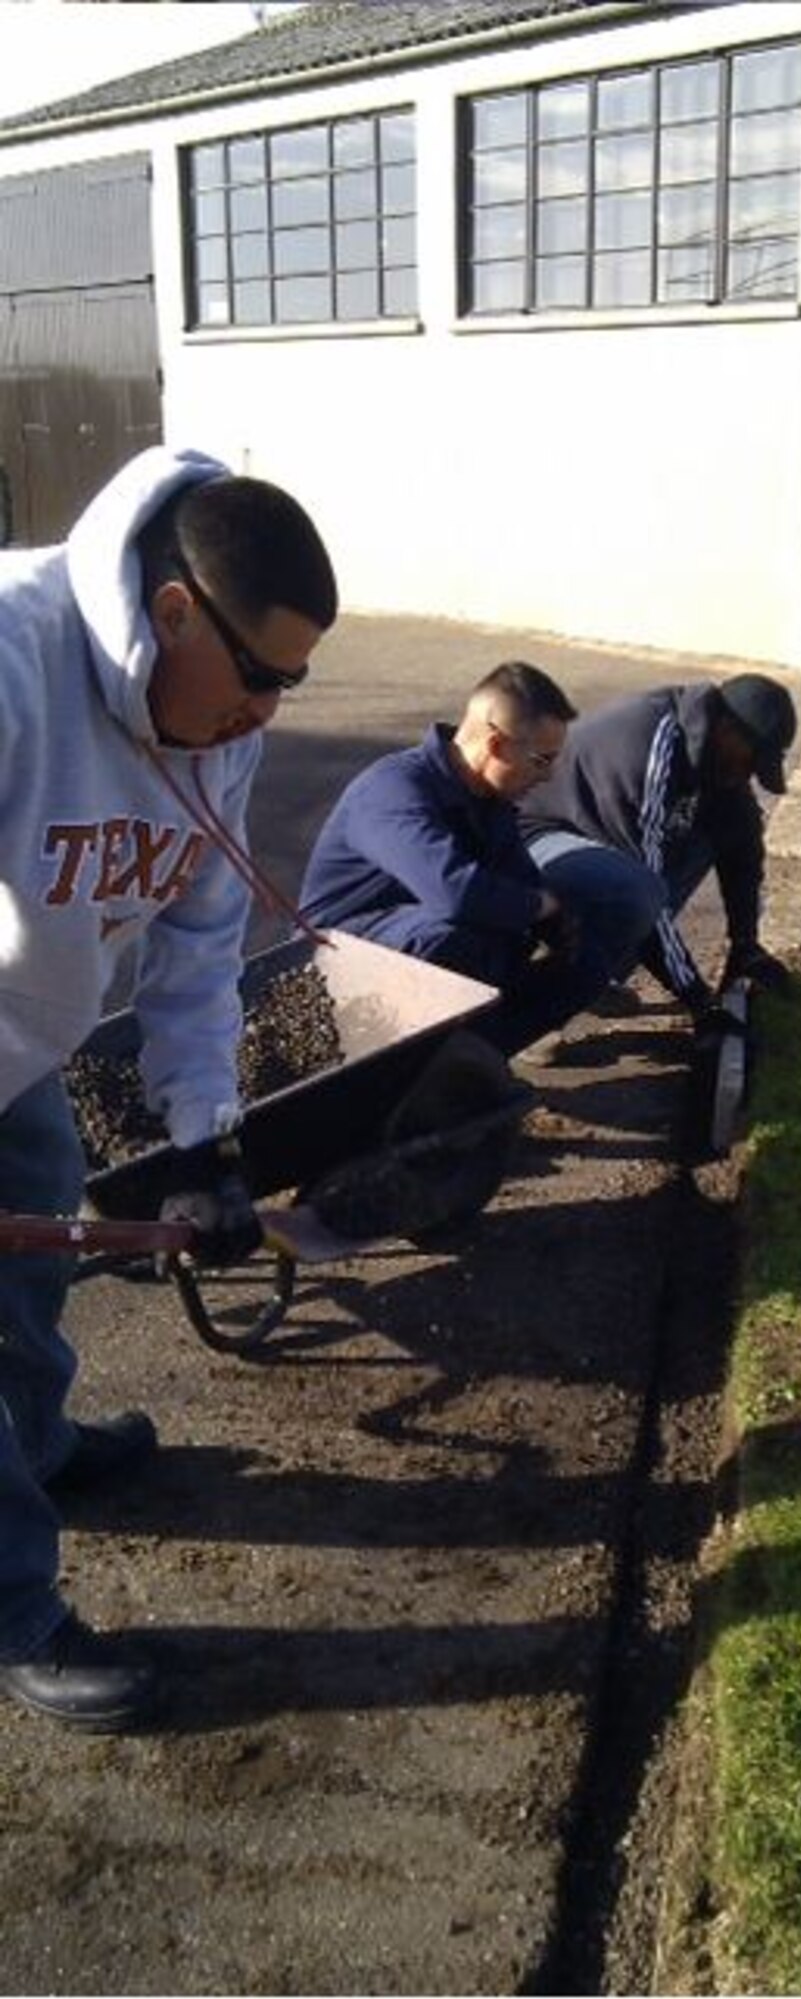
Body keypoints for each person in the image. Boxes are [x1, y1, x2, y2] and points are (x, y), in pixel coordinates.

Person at [0, 446, 338, 1730]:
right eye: (259, 678)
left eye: (293, 686)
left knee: (29, 1279)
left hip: (21, 1047)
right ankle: (15, 1611)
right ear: (177, 612)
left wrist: (202, 1137)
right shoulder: (12, 661)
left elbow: (200, 941)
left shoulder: (217, 731)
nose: (268, 715)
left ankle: (41, 1449)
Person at [298, 662, 627, 1056]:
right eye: (541, 760)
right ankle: (416, 1070)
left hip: (418, 944)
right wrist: (540, 906)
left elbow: (521, 883)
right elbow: (455, 893)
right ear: (495, 746)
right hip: (333, 963)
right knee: (457, 939)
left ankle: (472, 1062)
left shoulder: (491, 800)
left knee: (584, 964)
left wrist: (556, 922)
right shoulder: (393, 790)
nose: (548, 775)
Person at [517, 674, 798, 1033]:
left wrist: (745, 944)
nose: (748, 773)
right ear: (728, 729)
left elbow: (741, 840)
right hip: (538, 842)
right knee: (636, 891)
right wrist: (700, 1001)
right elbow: (647, 889)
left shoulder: (711, 747)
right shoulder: (652, 749)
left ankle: (593, 971)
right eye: (751, 760)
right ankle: (546, 993)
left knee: (731, 823)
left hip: (599, 839)